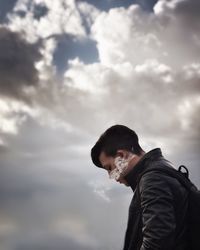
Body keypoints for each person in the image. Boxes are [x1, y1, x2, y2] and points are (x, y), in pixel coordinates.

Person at [91, 125, 189, 250]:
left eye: (109, 168)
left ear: (122, 155)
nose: (111, 176)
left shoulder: (152, 179)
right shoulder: (162, 167)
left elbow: (157, 243)